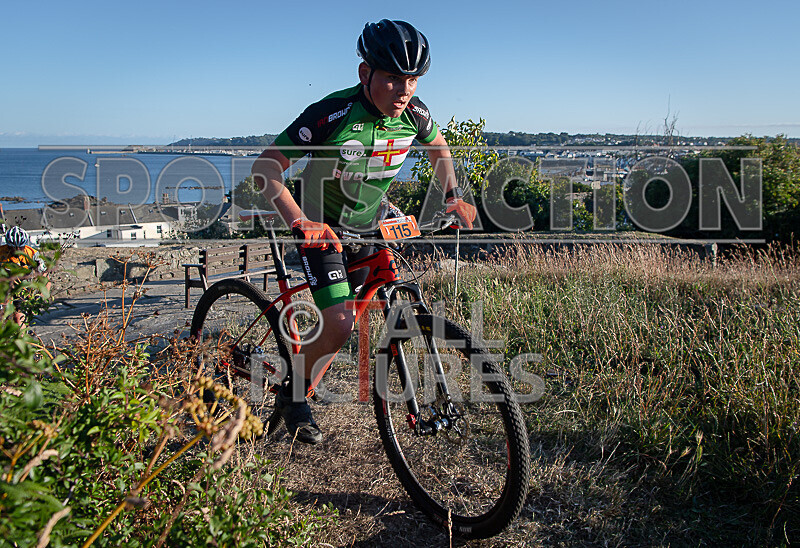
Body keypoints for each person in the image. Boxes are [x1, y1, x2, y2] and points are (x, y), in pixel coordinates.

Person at [251, 19, 477, 444]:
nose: (404, 89)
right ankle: (294, 395)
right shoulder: (333, 113)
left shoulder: (415, 113)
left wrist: (453, 194)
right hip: (322, 228)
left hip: (368, 225)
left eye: (412, 79)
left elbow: (439, 149)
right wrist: (301, 221)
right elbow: (265, 168)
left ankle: (308, 367)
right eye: (392, 77)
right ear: (365, 73)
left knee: (385, 292)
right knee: (338, 325)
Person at [0, 226, 49, 328]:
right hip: (4, 288)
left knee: (19, 318)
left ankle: (23, 338)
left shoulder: (32, 254)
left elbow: (45, 276)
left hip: (21, 289)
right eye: (13, 247)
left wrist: (42, 296)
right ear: (8, 245)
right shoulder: (1, 252)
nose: (17, 250)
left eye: (20, 247)